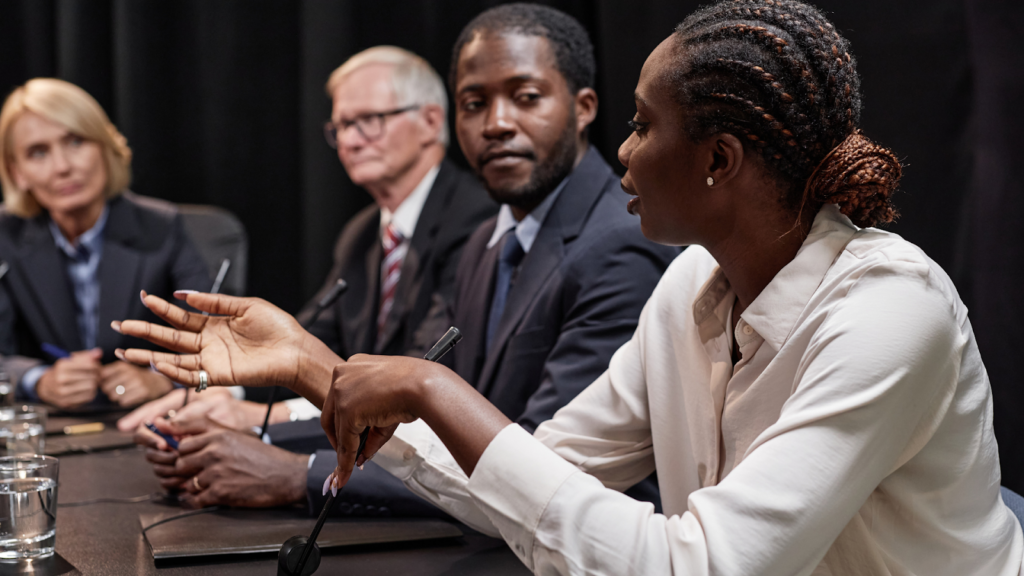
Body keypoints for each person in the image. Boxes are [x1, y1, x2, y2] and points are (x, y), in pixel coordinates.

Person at [116, 0, 1024, 574]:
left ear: (719, 160)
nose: (621, 152)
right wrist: (320, 369)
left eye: (639, 124)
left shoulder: (886, 312)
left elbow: (697, 566)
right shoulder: (692, 290)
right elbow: (523, 478)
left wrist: (432, 386)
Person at [129, 5, 676, 516]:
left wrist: (298, 472)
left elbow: (539, 466)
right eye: (475, 104)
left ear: (584, 108)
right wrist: (255, 435)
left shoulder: (618, 244)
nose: (496, 124)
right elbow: (432, 426)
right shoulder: (492, 238)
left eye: (526, 97)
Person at [124, 46, 497, 506]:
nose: (350, 140)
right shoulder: (362, 233)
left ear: (430, 121)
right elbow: (304, 342)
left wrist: (262, 416)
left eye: (369, 120)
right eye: (340, 126)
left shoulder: (477, 222)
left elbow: (421, 378)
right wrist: (220, 390)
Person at [0, 78, 210, 409]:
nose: (62, 167)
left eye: (75, 142)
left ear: (104, 146)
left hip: (141, 422)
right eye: (38, 152)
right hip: (49, 429)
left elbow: (214, 340)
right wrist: (37, 379)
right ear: (18, 173)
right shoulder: (4, 236)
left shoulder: (162, 226)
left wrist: (160, 376)